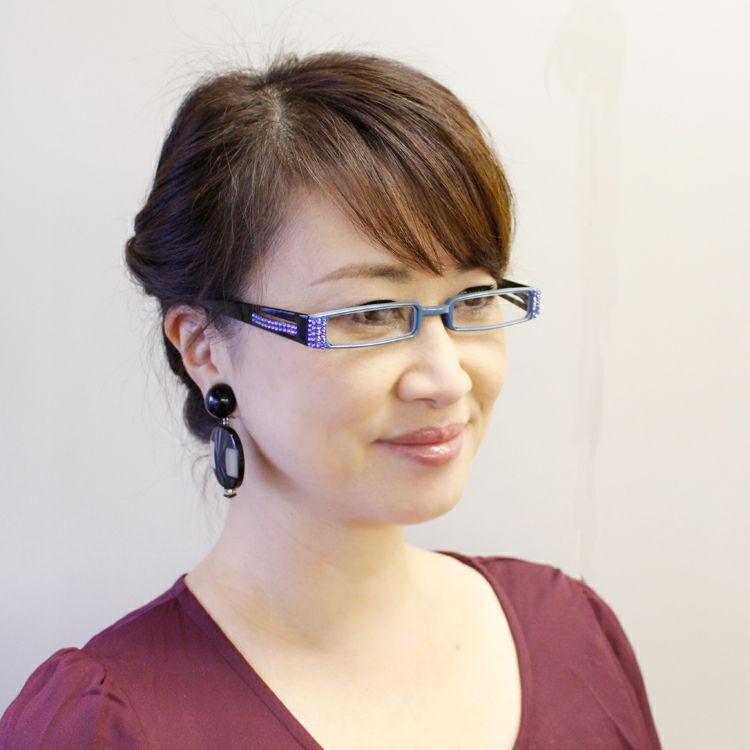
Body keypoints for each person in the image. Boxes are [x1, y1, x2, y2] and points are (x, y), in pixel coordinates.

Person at [0, 50, 662, 749]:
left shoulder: (573, 636)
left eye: (472, 299)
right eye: (371, 313)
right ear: (203, 347)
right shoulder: (105, 725)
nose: (447, 380)